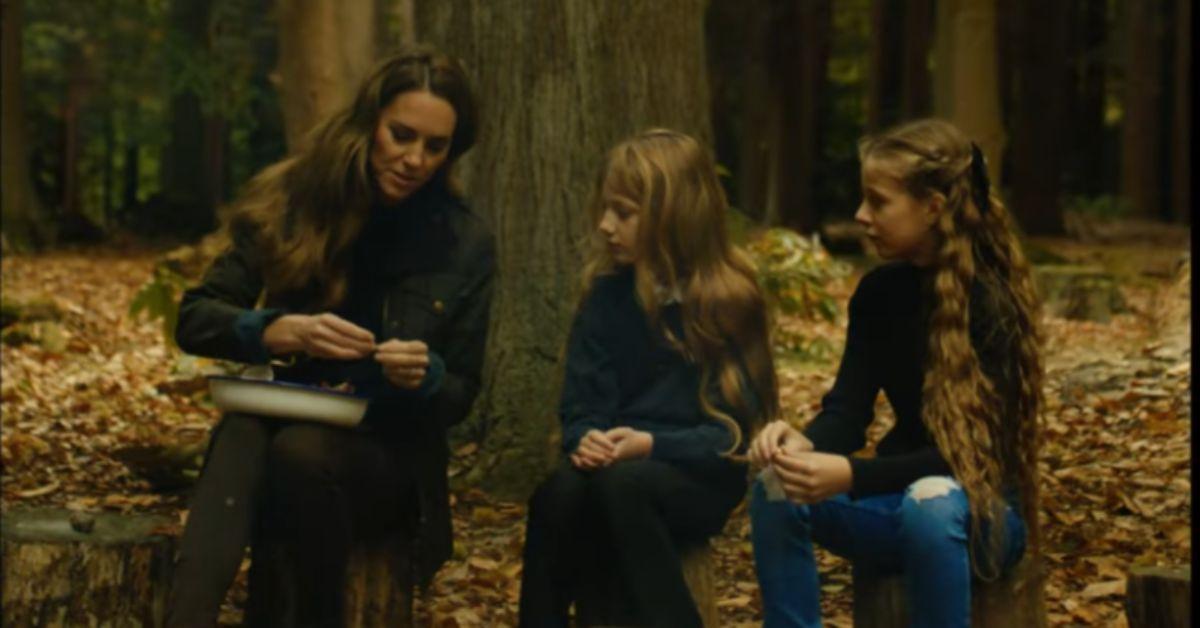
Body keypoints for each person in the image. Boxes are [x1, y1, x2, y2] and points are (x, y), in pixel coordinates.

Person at [165, 46, 494, 627]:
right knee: (246, 433)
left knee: (299, 452)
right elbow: (196, 317)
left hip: (387, 457)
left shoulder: (464, 241)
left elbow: (461, 392)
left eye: (435, 147)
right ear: (370, 122)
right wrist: (277, 330)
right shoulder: (298, 197)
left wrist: (425, 375)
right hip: (277, 426)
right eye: (401, 135)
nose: (415, 159)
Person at [748, 118, 1044, 627]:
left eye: (878, 201)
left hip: (980, 521)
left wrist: (853, 474)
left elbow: (972, 459)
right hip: (890, 511)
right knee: (774, 486)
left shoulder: (993, 304)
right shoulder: (878, 293)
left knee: (929, 507)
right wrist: (800, 445)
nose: (861, 216)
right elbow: (846, 413)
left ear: (932, 208)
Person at [517, 129, 780, 628]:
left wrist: (649, 445)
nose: (605, 225)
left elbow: (733, 436)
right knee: (557, 494)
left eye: (623, 213)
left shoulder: (730, 301)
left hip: (697, 477)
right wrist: (586, 439)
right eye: (605, 209)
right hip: (615, 469)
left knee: (624, 486)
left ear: (672, 217)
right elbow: (579, 407)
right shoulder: (605, 297)